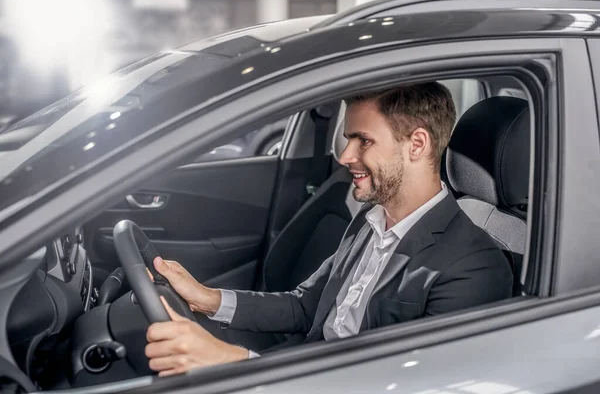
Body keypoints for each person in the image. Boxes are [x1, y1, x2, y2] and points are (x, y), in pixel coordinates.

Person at [144, 82, 514, 376]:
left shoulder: (474, 266)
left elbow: (401, 385)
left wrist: (237, 364)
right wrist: (207, 298)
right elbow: (306, 306)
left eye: (363, 140)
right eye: (349, 138)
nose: (345, 155)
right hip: (301, 365)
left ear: (416, 144)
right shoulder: (369, 221)